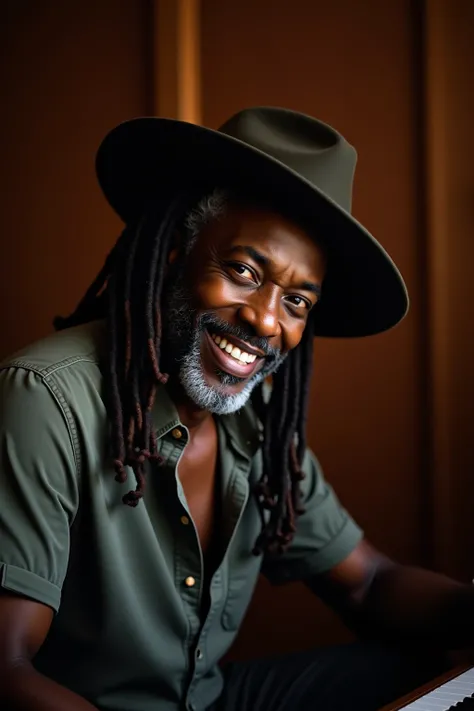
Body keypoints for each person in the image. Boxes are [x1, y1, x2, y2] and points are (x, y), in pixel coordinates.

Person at [0, 107, 471, 711]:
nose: (266, 319)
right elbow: (7, 668)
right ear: (175, 252)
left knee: (424, 670)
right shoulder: (44, 399)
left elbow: (369, 585)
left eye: (297, 300)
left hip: (210, 701)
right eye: (244, 271)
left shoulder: (261, 423)